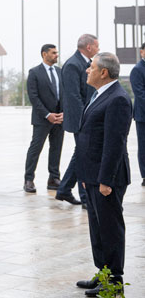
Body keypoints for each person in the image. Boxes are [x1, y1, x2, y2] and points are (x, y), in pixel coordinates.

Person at [74, 52, 132, 297]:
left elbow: (114, 143)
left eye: (91, 67)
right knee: (97, 229)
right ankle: (103, 272)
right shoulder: (99, 94)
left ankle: (114, 279)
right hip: (92, 175)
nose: (87, 70)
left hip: (107, 178)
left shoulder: (118, 99)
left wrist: (106, 180)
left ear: (104, 72)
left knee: (110, 229)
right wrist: (85, 176)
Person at [55, 34, 99, 206]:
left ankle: (64, 189)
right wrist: (86, 118)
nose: (98, 49)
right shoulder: (73, 65)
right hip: (81, 120)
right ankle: (85, 197)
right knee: (83, 156)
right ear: (89, 47)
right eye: (97, 46)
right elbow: (73, 97)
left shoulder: (87, 64)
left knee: (81, 154)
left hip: (86, 117)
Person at [23, 44, 64, 193]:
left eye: (56, 52)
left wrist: (63, 113)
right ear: (44, 54)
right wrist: (47, 115)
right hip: (42, 119)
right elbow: (33, 97)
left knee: (56, 149)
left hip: (59, 118)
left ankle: (54, 178)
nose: (56, 55)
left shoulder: (60, 72)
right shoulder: (34, 72)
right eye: (53, 53)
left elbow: (65, 93)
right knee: (36, 148)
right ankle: (28, 179)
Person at [128, 42, 145, 187]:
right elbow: (140, 94)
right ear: (142, 52)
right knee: (144, 146)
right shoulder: (137, 70)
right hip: (143, 115)